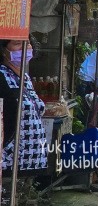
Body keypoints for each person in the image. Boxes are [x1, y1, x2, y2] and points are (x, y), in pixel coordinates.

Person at [0, 40, 47, 177]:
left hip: (31, 161)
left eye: (27, 42)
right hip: (10, 161)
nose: (26, 47)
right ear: (3, 50)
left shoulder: (24, 78)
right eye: (17, 44)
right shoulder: (2, 76)